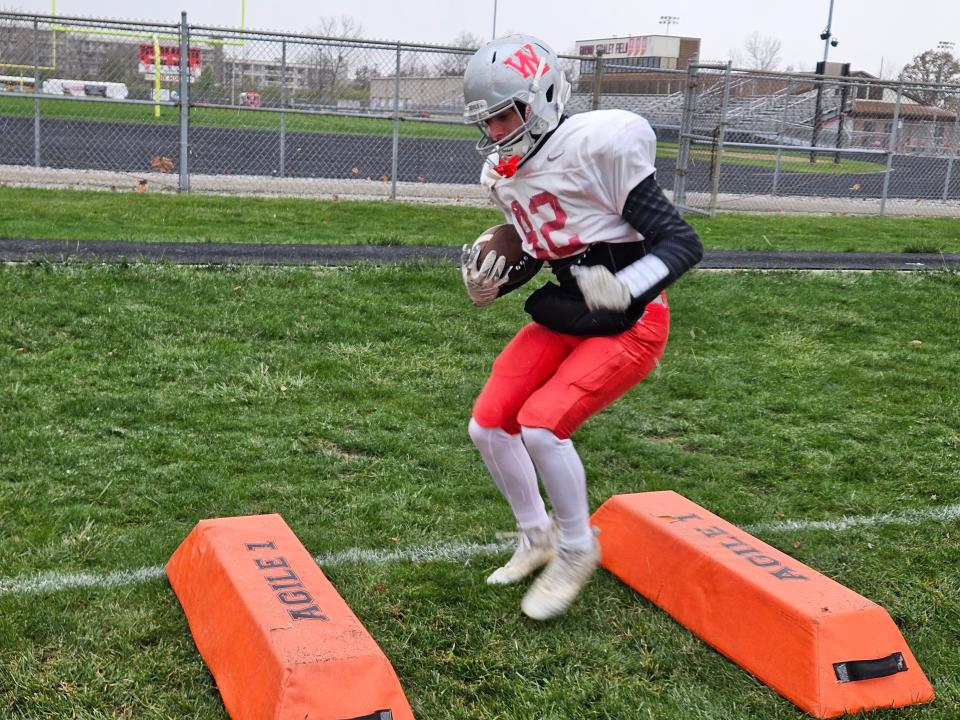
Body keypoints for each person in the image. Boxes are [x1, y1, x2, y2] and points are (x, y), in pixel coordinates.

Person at [459, 35, 705, 621]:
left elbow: (683, 242)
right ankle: (536, 536)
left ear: (542, 98)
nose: (495, 131)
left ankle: (576, 548)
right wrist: (493, 282)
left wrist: (626, 286)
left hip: (631, 321)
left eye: (504, 114)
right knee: (488, 426)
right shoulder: (508, 171)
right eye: (486, 120)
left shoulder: (597, 145)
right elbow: (549, 247)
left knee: (542, 427)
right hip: (571, 311)